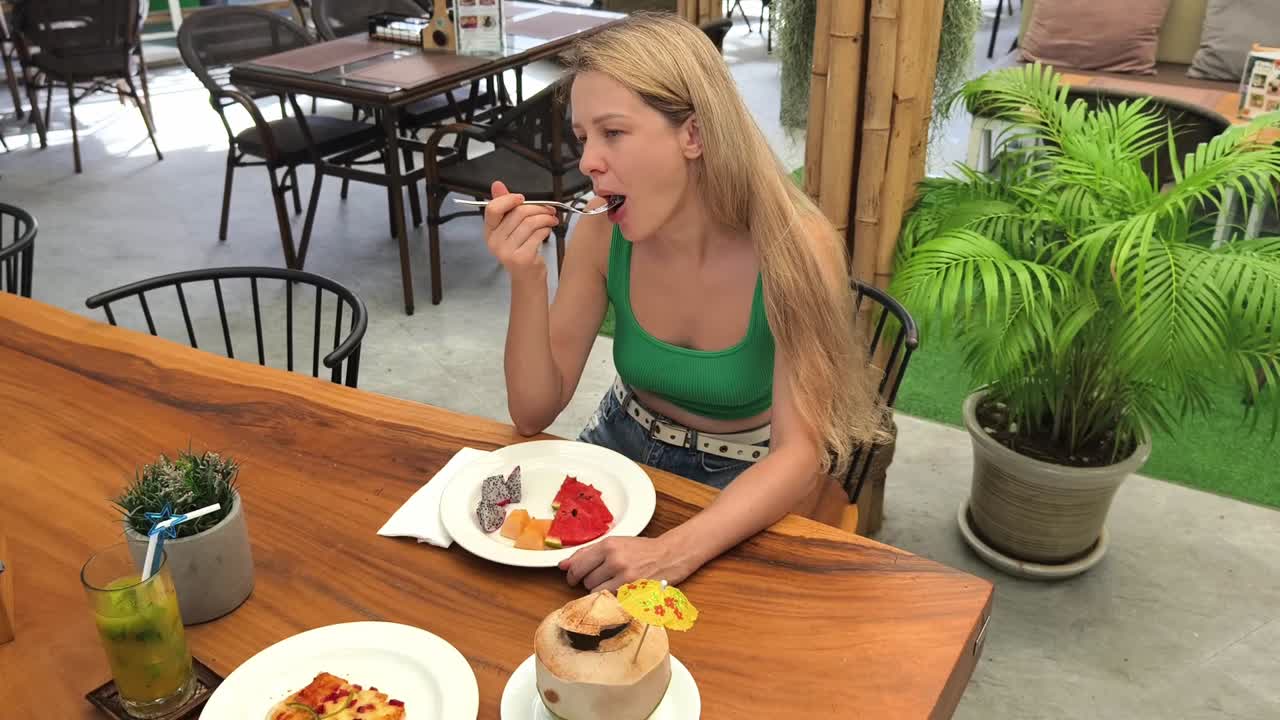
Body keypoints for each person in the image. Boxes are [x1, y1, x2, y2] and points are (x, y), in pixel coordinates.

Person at [482, 13, 885, 593]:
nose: (588, 162)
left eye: (612, 133)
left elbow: (798, 454)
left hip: (745, 478)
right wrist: (525, 277)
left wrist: (670, 554)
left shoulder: (797, 248)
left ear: (692, 135)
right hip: (618, 447)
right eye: (582, 138)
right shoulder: (601, 233)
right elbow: (532, 412)